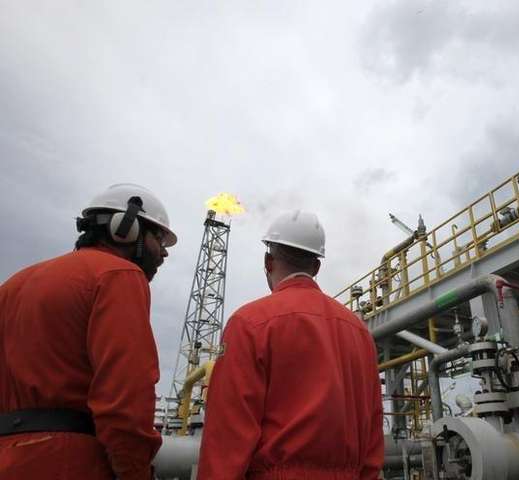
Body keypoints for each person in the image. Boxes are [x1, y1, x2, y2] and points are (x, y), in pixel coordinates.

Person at [0, 183, 177, 480]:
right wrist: (135, 472)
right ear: (126, 229)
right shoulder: (118, 276)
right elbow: (125, 396)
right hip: (68, 462)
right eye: (159, 239)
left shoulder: (12, 285)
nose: (163, 254)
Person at [198, 210, 384, 480]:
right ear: (317, 267)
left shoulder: (249, 323)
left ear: (268, 261)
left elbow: (227, 438)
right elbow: (373, 432)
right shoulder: (359, 332)